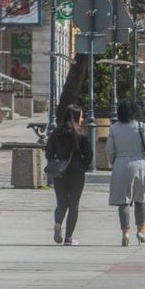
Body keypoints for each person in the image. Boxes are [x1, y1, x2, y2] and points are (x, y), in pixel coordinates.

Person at [107, 100, 145, 246]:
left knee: (123, 200)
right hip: (139, 163)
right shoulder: (142, 126)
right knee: (140, 199)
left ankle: (126, 231)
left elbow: (109, 149)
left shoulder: (114, 128)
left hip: (120, 163)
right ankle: (141, 230)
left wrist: (113, 161)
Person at [45, 105, 93, 246]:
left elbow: (48, 153)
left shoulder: (56, 132)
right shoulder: (81, 134)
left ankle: (58, 222)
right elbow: (89, 155)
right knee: (74, 204)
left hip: (60, 172)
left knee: (61, 203)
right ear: (77, 117)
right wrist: (83, 166)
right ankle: (68, 238)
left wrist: (57, 160)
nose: (82, 119)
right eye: (81, 116)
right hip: (77, 172)